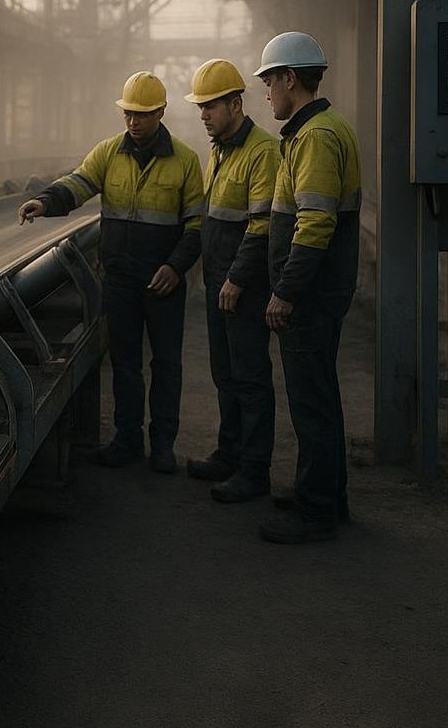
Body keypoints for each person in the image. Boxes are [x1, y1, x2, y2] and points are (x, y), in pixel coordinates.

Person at [20, 71, 205, 474]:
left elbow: (196, 227)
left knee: (166, 364)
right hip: (120, 280)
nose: (133, 122)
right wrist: (44, 201)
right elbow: (78, 184)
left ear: (160, 112)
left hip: (164, 282)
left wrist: (176, 268)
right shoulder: (108, 153)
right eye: (128, 114)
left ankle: (162, 446)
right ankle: (126, 441)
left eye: (141, 114)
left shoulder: (186, 163)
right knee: (124, 362)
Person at [253, 32, 363, 544]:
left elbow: (315, 224)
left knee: (311, 402)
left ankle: (316, 510)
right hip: (320, 291)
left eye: (269, 81)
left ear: (289, 79)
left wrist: (286, 292)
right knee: (318, 396)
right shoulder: (313, 131)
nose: (266, 93)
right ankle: (324, 494)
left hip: (312, 296)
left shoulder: (316, 137)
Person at [180, 59, 280, 503]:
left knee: (251, 378)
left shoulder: (262, 152)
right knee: (225, 374)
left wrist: (237, 279)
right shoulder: (219, 149)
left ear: (236, 105)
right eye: (201, 107)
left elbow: (261, 226)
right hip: (219, 282)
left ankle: (254, 472)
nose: (202, 114)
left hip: (244, 285)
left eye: (210, 107)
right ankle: (229, 454)